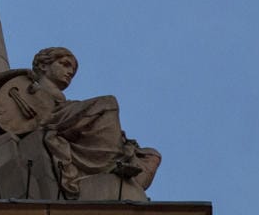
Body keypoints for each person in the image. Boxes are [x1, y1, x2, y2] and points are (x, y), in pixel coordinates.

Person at [9, 48, 161, 197]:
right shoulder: (29, 86)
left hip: (67, 120)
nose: (70, 73)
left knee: (152, 155)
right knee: (108, 103)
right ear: (43, 66)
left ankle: (125, 177)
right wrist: (19, 74)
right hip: (51, 119)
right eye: (64, 64)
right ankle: (113, 161)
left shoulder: (65, 101)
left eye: (73, 71)